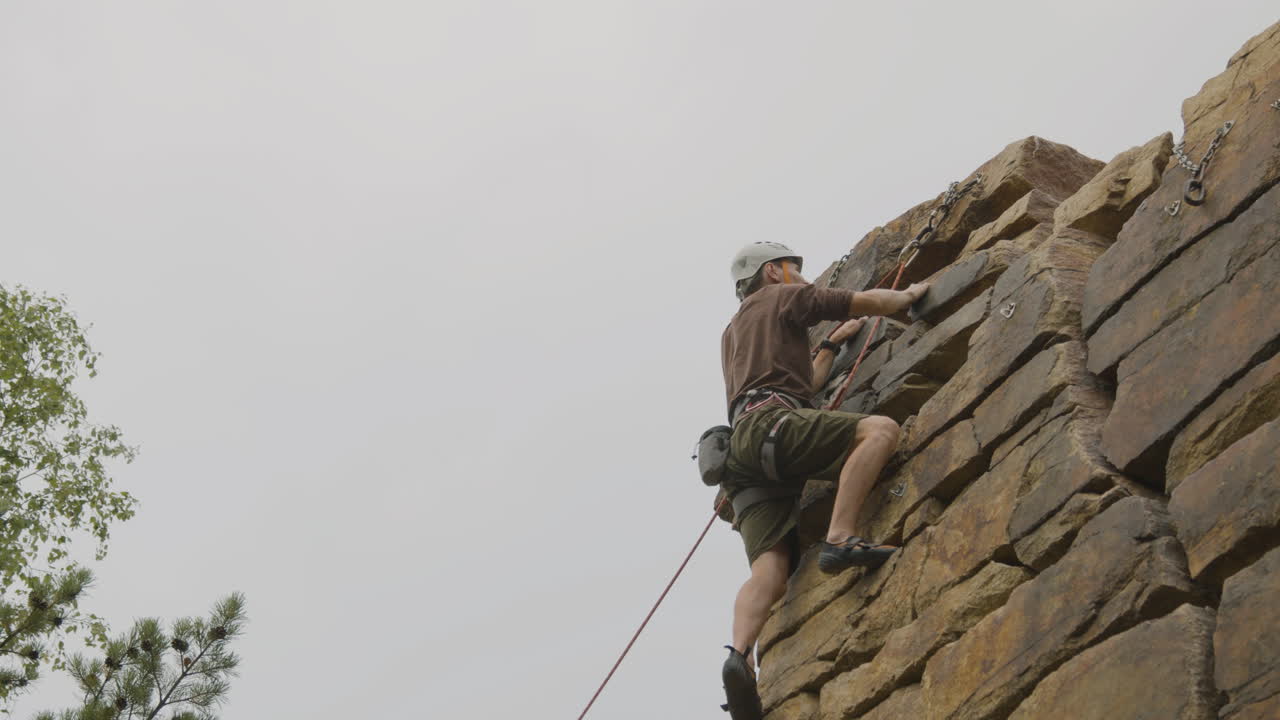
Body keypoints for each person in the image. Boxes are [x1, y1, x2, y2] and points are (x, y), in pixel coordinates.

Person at [717, 241, 928, 720]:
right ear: (773, 272)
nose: (800, 275)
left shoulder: (733, 332)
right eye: (793, 267)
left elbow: (796, 387)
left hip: (743, 453)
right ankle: (841, 537)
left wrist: (829, 347)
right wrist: (910, 292)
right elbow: (869, 301)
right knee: (879, 431)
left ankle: (739, 657)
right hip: (773, 426)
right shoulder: (781, 296)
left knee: (769, 569)